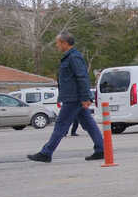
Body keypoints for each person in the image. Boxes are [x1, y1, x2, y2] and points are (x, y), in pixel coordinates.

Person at [26, 33, 104, 162]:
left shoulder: (74, 57)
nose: (57, 46)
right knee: (89, 124)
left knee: (61, 125)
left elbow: (82, 77)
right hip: (74, 97)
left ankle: (46, 152)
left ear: (64, 43)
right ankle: (102, 149)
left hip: (74, 98)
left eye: (58, 43)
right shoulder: (69, 57)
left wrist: (86, 97)